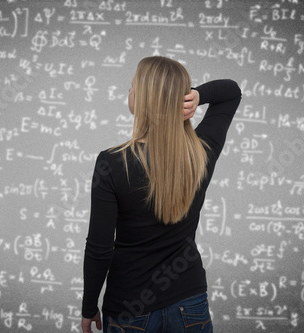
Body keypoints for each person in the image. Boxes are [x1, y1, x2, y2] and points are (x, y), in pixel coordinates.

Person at [81, 56, 241, 332]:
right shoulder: (201, 154)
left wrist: (88, 306)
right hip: (190, 304)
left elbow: (100, 247)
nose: (129, 92)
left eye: (133, 87)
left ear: (144, 100)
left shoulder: (111, 162)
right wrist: (199, 95)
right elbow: (230, 93)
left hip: (130, 309)